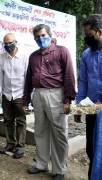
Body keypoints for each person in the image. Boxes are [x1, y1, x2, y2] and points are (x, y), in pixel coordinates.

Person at [22, 24, 75, 180]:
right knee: (40, 131)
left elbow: (69, 77)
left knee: (59, 133)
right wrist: (25, 100)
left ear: (51, 35)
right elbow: (28, 80)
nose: (40, 39)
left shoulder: (61, 52)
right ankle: (41, 164)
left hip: (56, 95)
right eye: (37, 37)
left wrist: (67, 99)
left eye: (43, 35)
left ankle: (59, 169)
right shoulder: (33, 56)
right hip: (38, 95)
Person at [0, 33, 29, 159]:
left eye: (10, 43)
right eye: (6, 44)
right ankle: (10, 143)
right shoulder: (2, 58)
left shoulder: (25, 57)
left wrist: (28, 96)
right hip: (7, 94)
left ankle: (20, 147)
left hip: (20, 94)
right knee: (8, 120)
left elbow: (28, 77)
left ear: (16, 42)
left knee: (20, 120)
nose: (8, 45)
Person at [76, 14, 102, 180]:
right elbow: (83, 82)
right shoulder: (87, 54)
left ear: (100, 31)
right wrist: (79, 108)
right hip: (92, 108)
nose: (86, 38)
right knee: (92, 149)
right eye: (85, 35)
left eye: (89, 35)